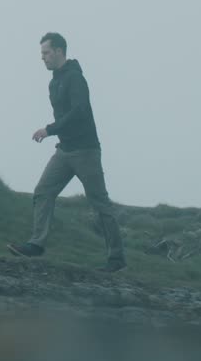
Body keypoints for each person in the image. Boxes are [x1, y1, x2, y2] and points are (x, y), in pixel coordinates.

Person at [8, 33, 126, 272]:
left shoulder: (75, 78)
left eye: (46, 53)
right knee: (43, 191)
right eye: (42, 54)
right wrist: (57, 133)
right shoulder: (54, 82)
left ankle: (116, 260)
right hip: (64, 151)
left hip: (86, 151)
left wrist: (49, 130)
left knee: (100, 203)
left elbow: (79, 111)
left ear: (59, 51)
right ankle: (36, 245)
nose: (42, 58)